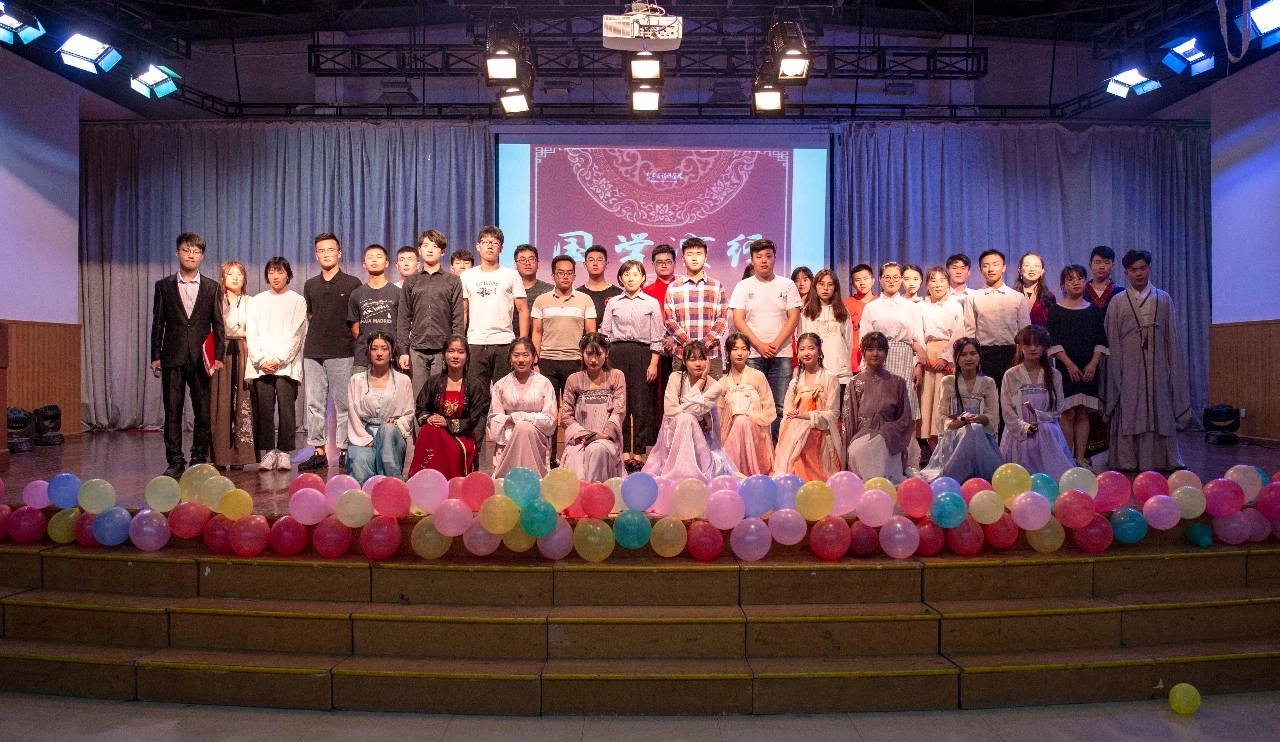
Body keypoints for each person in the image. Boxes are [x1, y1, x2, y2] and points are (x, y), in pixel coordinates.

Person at [1104, 250, 1190, 471]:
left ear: (1149, 269)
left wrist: (1172, 369)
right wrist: (1116, 372)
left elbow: (1172, 338)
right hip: (1128, 366)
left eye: (1143, 268)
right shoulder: (1117, 302)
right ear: (1126, 273)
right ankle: (1127, 460)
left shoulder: (1163, 298)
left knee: (1159, 405)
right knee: (1129, 405)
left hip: (1158, 365)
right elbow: (1112, 339)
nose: (1139, 273)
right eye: (1133, 270)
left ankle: (1162, 459)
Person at [150, 232, 226, 477]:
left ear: (202, 256)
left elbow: (218, 324)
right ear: (177, 253)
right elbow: (158, 323)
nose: (191, 255)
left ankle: (198, 457)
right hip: (172, 356)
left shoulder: (212, 287)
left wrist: (219, 356)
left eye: (196, 252)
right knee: (172, 411)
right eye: (186, 250)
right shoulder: (164, 286)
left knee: (203, 412)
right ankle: (175, 460)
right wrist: (155, 355)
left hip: (201, 358)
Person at [298, 233, 362, 472]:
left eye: (330, 250)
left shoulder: (352, 283)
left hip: (342, 351)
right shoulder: (310, 284)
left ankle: (345, 450)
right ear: (316, 255)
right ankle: (318, 451)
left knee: (344, 405)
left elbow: (355, 321)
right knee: (314, 404)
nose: (326, 254)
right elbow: (311, 316)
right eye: (321, 251)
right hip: (313, 351)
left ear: (339, 253)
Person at [729, 238, 802, 442]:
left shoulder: (787, 285)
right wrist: (759, 345)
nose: (764, 260)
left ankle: (778, 451)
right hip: (753, 354)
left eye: (768, 256)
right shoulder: (743, 286)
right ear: (752, 260)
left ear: (775, 258)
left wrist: (776, 344)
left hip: (782, 354)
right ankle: (756, 450)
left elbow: (794, 317)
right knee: (753, 405)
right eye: (759, 256)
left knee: (780, 406)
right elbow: (738, 319)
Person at [857, 262, 927, 472]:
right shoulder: (871, 307)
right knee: (881, 409)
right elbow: (864, 340)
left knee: (906, 410)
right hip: (879, 357)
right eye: (887, 277)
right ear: (880, 280)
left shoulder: (911, 307)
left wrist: (918, 366)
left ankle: (909, 463)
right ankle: (880, 461)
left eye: (896, 277)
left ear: (901, 280)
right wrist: (867, 366)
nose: (891, 281)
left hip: (904, 357)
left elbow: (918, 338)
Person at [644, 341, 742, 483]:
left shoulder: (714, 386)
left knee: (687, 418)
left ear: (707, 361)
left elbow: (693, 410)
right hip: (673, 432)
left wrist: (702, 381)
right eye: (692, 359)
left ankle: (689, 473)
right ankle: (679, 473)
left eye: (701, 358)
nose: (698, 364)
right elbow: (670, 411)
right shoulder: (675, 377)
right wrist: (699, 407)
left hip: (701, 438)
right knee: (686, 418)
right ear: (684, 361)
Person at [245, 256, 308, 472]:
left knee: (286, 409)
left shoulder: (298, 301)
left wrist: (279, 359)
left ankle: (284, 452)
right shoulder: (257, 301)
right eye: (271, 272)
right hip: (261, 365)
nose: (275, 276)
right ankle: (268, 451)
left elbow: (296, 335)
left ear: (288, 274)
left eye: (280, 271)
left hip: (287, 366)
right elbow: (251, 333)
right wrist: (261, 360)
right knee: (264, 410)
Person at [601, 260, 664, 470]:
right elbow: (605, 333)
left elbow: (657, 336)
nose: (630, 278)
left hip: (642, 354)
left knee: (641, 405)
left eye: (635, 274)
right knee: (621, 404)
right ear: (620, 278)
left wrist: (653, 363)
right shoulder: (613, 302)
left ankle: (639, 451)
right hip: (617, 354)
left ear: (643, 278)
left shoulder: (651, 303)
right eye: (626, 274)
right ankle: (624, 451)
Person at [1047, 265, 1108, 467]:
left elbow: (1101, 341)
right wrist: (1069, 365)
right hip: (1066, 370)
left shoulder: (1094, 310)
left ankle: (1080, 458)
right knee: (1068, 412)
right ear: (1063, 284)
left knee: (1083, 412)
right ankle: (1067, 459)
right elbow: (1054, 342)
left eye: (1080, 278)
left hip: (1089, 370)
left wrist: (1093, 364)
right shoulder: (1056, 311)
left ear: (1085, 281)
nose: (1075, 282)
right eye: (1070, 279)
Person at [921, 337, 1003, 483]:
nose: (968, 358)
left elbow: (993, 416)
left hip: (981, 438)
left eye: (973, 353)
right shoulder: (948, 382)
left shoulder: (988, 383)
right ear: (956, 358)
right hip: (954, 437)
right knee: (969, 430)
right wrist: (956, 423)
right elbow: (941, 415)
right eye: (963, 354)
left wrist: (979, 419)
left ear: (979, 356)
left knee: (974, 429)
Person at [408, 336, 490, 479]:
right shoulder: (433, 382)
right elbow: (421, 408)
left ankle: (453, 484)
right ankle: (426, 481)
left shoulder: (475, 385)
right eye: (451, 351)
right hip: (436, 431)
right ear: (444, 355)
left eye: (460, 352)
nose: (455, 356)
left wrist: (447, 423)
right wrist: (429, 418)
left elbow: (474, 419)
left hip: (461, 434)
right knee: (428, 430)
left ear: (467, 356)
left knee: (450, 446)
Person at [1000, 325, 1075, 480]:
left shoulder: (1054, 375)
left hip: (1047, 431)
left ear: (1045, 347)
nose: (1033, 348)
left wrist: (1041, 419)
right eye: (1028, 344)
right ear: (1020, 346)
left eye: (1038, 344)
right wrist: (1024, 427)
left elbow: (1059, 407)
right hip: (1019, 433)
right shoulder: (1011, 375)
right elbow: (1006, 407)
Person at [461, 226, 529, 395]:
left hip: (504, 342)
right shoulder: (467, 275)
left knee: (505, 393)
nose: (490, 246)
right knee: (477, 394)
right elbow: (464, 311)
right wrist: (461, 339)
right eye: (485, 242)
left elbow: (523, 310)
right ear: (478, 246)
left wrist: (522, 342)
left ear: (501, 248)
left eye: (495, 242)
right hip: (476, 342)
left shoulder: (512, 275)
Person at [397, 229, 464, 400]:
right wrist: (403, 351)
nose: (429, 250)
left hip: (443, 348)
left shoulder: (453, 281)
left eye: (434, 246)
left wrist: (456, 349)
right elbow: (404, 318)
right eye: (425, 246)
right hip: (417, 348)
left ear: (442, 252)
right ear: (419, 250)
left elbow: (457, 318)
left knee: (441, 397)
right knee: (418, 397)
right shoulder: (411, 281)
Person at [841, 332, 913, 483]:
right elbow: (849, 423)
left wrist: (888, 429)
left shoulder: (898, 382)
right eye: (870, 349)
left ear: (886, 352)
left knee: (882, 443)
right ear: (863, 352)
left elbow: (905, 417)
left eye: (880, 349)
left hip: (890, 436)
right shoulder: (855, 383)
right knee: (857, 450)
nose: (875, 353)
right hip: (862, 435)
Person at [345, 332, 415, 483]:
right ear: (368, 351)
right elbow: (353, 414)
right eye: (374, 348)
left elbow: (409, 413)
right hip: (364, 433)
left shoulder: (403, 380)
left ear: (391, 351)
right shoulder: (356, 380)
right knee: (360, 461)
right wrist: (365, 439)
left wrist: (397, 423)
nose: (379, 353)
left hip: (391, 435)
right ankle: (365, 493)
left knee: (387, 430)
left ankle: (392, 484)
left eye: (384, 348)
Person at [962, 249, 1031, 399]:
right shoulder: (973, 298)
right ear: (981, 269)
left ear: (1004, 267)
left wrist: (1022, 355)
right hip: (984, 353)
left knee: (1012, 398)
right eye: (986, 265)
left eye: (995, 264)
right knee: (987, 398)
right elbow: (969, 332)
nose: (991, 269)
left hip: (1012, 353)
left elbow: (1025, 331)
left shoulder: (1017, 297)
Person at [772, 334, 841, 481]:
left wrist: (807, 416)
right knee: (795, 431)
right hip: (796, 431)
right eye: (802, 349)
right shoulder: (794, 382)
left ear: (819, 351)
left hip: (820, 430)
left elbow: (833, 413)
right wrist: (797, 418)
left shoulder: (830, 378)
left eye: (811, 348)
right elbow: (787, 413)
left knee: (805, 431)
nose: (807, 353)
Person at [560, 333, 627, 483]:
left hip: (606, 438)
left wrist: (605, 434)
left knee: (597, 449)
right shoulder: (573, 379)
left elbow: (619, 410)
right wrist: (583, 434)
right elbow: (566, 415)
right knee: (576, 458)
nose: (593, 359)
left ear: (607, 354)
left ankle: (598, 493)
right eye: (589, 354)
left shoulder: (616, 376)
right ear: (582, 353)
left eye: (598, 354)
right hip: (580, 439)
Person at [487, 338, 557, 477]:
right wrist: (512, 422)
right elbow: (494, 419)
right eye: (516, 355)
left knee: (524, 427)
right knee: (522, 428)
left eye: (525, 355)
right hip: (508, 435)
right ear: (510, 358)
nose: (521, 360)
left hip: (536, 435)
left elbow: (550, 419)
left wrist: (520, 419)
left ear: (533, 357)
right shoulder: (500, 385)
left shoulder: (544, 383)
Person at [210, 260, 255, 469]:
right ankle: (220, 456)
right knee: (221, 401)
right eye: (230, 274)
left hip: (244, 349)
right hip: (221, 350)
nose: (235, 278)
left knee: (242, 399)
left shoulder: (251, 302)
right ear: (223, 278)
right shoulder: (216, 300)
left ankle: (239, 457)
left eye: (239, 274)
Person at [532, 255, 597, 400]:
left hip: (576, 360)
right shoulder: (541, 300)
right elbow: (537, 332)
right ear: (553, 276)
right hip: (547, 360)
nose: (565, 276)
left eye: (569, 273)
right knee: (548, 406)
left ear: (574, 276)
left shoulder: (585, 300)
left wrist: (588, 359)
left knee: (576, 406)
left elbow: (591, 334)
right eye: (560, 273)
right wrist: (535, 361)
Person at [664, 237, 729, 378]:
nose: (694, 258)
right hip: (682, 355)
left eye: (699, 254)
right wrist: (688, 344)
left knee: (713, 392)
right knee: (681, 392)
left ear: (706, 257)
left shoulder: (717, 286)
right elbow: (670, 321)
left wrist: (703, 344)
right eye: (690, 254)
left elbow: (722, 320)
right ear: (683, 258)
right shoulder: (674, 287)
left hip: (711, 354)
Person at [917, 267, 966, 449]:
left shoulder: (955, 305)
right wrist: (922, 356)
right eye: (933, 280)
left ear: (948, 284)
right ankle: (933, 452)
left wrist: (946, 358)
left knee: (945, 401)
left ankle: (949, 451)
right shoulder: (920, 306)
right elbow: (917, 332)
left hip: (950, 356)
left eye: (942, 280)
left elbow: (959, 333)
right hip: (927, 356)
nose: (937, 285)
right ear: (927, 285)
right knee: (928, 404)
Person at [718, 333, 776, 477]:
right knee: (739, 421)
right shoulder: (722, 383)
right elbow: (719, 418)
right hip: (731, 435)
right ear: (728, 352)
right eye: (735, 349)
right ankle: (733, 470)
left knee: (742, 420)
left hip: (756, 434)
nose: (740, 353)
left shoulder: (758, 376)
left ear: (749, 352)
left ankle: (734, 471)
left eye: (744, 349)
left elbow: (770, 412)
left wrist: (748, 417)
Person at [348, 244, 401, 375]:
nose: (374, 260)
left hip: (392, 355)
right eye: (370, 257)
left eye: (378, 257)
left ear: (387, 263)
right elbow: (355, 330)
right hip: (363, 356)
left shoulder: (398, 293)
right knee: (359, 388)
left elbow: (402, 326)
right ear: (364, 264)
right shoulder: (357, 294)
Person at [798, 269, 853, 391]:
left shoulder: (843, 312)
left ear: (835, 287)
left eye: (830, 284)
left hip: (841, 373)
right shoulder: (806, 312)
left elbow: (848, 342)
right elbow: (802, 341)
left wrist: (843, 361)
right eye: (822, 284)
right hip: (815, 373)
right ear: (815, 286)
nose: (825, 288)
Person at [644, 243, 678, 408]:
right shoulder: (645, 292)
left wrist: (674, 338)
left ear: (675, 263)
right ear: (653, 265)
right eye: (659, 262)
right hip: (654, 351)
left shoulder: (683, 288)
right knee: (655, 399)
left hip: (680, 348)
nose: (664, 265)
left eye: (668, 261)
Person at [843, 262, 877, 372]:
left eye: (865, 279)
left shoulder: (880, 303)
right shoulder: (845, 304)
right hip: (853, 359)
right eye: (857, 280)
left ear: (873, 280)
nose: (862, 283)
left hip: (876, 355)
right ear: (852, 283)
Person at [514, 243, 553, 333]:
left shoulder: (549, 291)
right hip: (512, 339)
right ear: (515, 265)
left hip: (542, 339)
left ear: (538, 264)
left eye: (531, 259)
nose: (527, 263)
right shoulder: (508, 290)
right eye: (522, 260)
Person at [577, 244, 623, 321]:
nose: (595, 263)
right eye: (591, 260)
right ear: (585, 265)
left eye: (599, 260)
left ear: (606, 264)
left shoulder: (618, 294)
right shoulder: (578, 294)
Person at [1014, 252, 1056, 326]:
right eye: (1027, 265)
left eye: (1036, 266)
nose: (1032, 269)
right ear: (1020, 270)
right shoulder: (1012, 296)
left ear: (1042, 271)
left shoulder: (1049, 297)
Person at [1086, 245, 1124, 310]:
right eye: (1097, 262)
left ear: (1112, 266)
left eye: (1106, 263)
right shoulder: (1082, 291)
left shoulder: (1120, 292)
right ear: (1090, 265)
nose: (1102, 267)